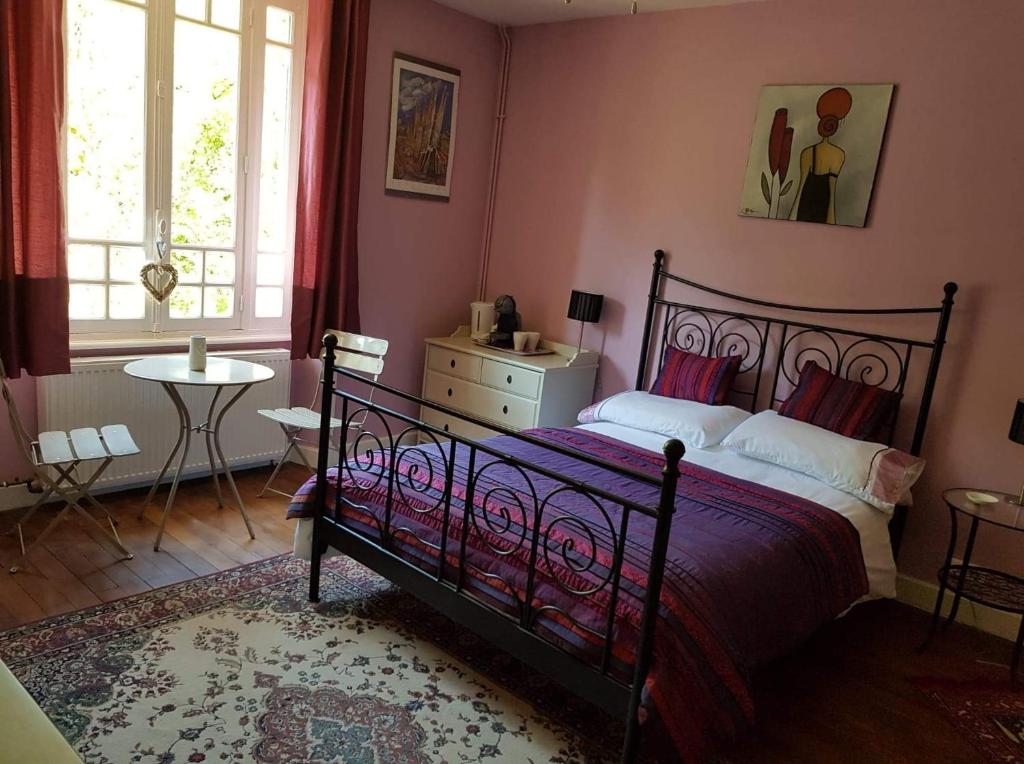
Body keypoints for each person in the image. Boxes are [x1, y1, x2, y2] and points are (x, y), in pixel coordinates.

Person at [790, 87, 853, 225]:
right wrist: (831, 222)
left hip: (805, 210)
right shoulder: (838, 155)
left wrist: (790, 219)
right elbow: (832, 191)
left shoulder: (807, 152)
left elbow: (800, 191)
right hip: (821, 210)